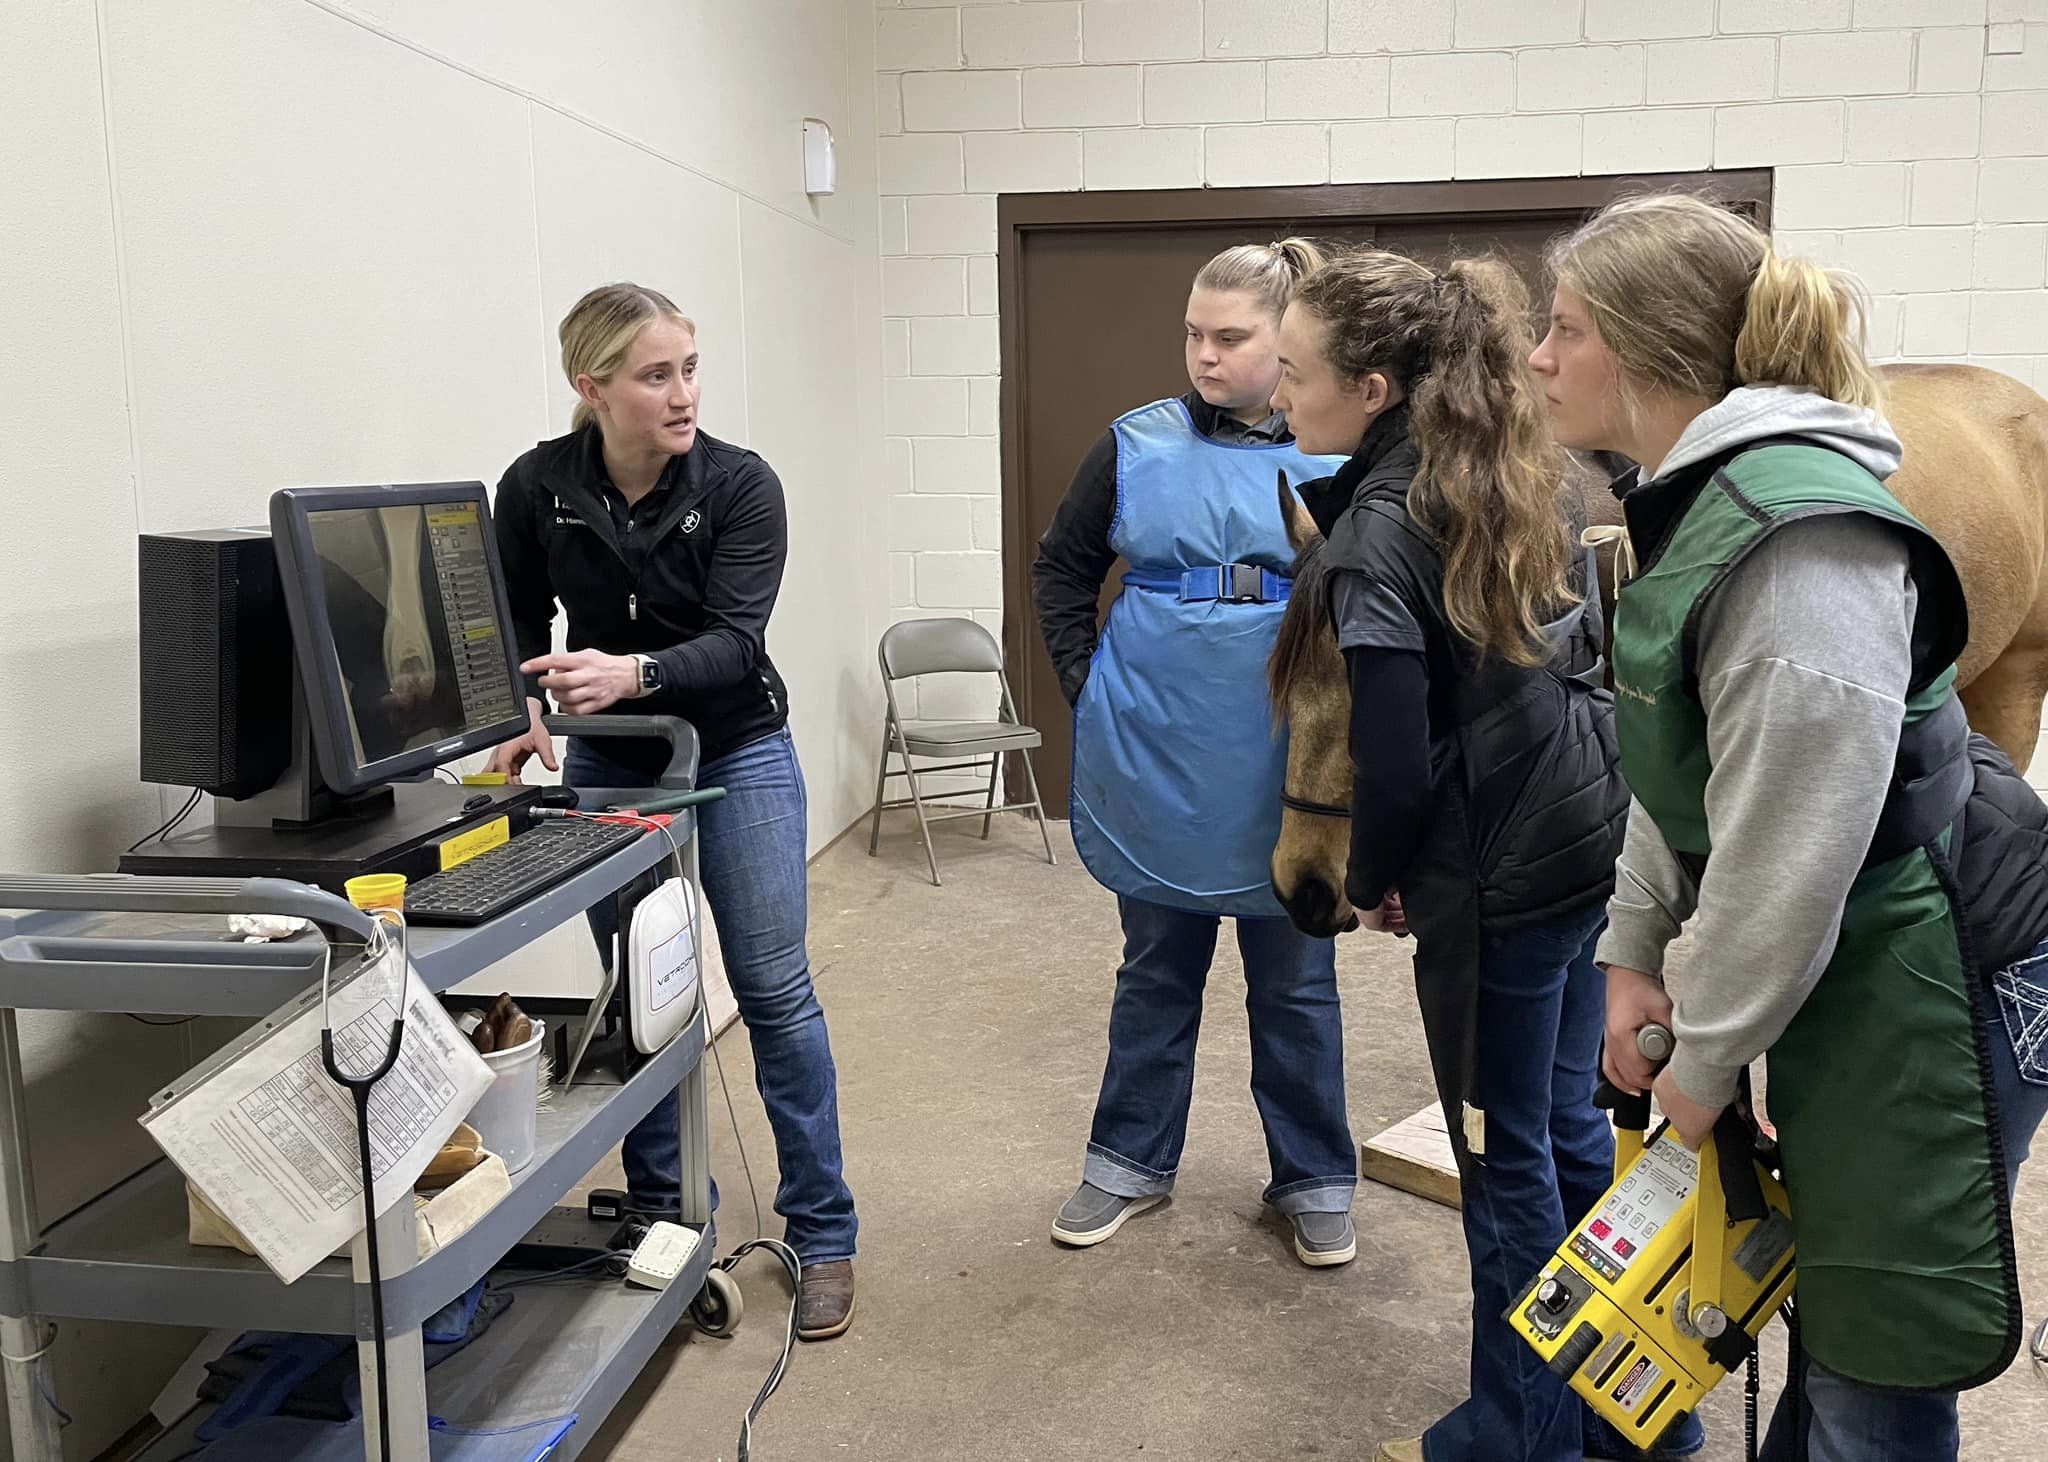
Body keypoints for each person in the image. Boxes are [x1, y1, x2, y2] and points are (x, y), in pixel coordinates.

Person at [1532, 193, 2048, 1462]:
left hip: (1948, 959)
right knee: (1818, 1319)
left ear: (1647, 351)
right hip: (1848, 930)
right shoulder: (1690, 497)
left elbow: (1786, 860)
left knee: (1876, 1355)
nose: (1536, 359)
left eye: (1562, 329)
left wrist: (1700, 1065)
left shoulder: (1798, 546)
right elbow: (1682, 766)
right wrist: (1630, 948)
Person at [1269, 251, 1687, 1462]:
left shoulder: (1374, 540)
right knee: (1565, 1134)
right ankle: (1639, 1418)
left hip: (1497, 881)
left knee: (1500, 1162)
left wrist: (1370, 882)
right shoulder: (1537, 474)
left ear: (1375, 386)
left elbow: (1390, 767)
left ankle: (1519, 1436)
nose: (1280, 399)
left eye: (1295, 375)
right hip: (1585, 846)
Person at [485, 282, 860, 1341]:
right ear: (590, 387)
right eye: (656, 375)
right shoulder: (536, 487)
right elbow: (518, 610)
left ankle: (823, 1229)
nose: (682, 392)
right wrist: (521, 708)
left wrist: (635, 669)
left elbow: (737, 640)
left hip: (737, 743)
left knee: (773, 987)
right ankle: (662, 1211)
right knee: (636, 996)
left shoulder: (741, 485)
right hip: (615, 751)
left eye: (689, 367)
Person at [1031, 240, 1360, 1266]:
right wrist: (1093, 693)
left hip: (1285, 764)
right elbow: (1062, 570)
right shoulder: (1133, 442)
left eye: (1230, 337)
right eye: (1192, 334)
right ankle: (1127, 1161)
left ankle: (1312, 1176)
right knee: (1155, 969)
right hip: (1153, 753)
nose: (1203, 357)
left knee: (1295, 981)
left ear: (1286, 338)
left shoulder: (1339, 452)